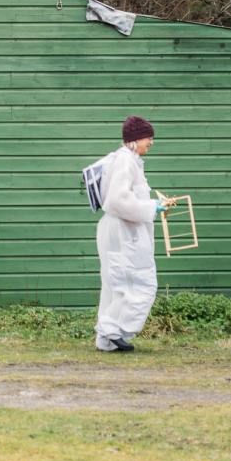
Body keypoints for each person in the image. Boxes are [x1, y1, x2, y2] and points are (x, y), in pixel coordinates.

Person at [95, 115, 170, 352]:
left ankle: (106, 340)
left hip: (121, 231)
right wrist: (151, 207)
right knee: (139, 284)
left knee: (116, 284)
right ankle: (113, 329)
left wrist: (153, 203)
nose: (151, 142)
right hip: (123, 233)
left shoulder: (128, 160)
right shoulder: (125, 161)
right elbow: (118, 200)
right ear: (136, 139)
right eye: (148, 137)